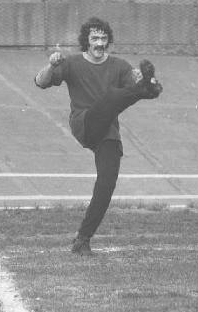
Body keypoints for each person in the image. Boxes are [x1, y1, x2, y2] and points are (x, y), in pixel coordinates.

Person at [34, 17, 163, 256]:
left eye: (104, 38)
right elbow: (40, 82)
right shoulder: (72, 63)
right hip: (85, 123)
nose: (100, 43)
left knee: (107, 183)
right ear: (86, 41)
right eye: (95, 38)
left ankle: (82, 240)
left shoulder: (119, 66)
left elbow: (134, 78)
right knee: (113, 97)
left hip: (107, 130)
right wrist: (52, 65)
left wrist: (150, 83)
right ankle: (144, 91)